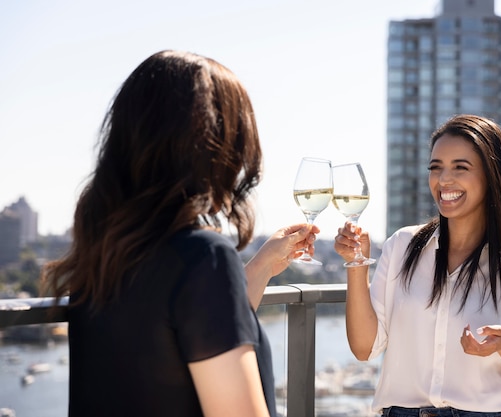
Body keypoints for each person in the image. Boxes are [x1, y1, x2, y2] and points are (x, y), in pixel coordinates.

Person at [41, 50, 319, 417]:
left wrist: (262, 266)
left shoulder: (105, 256)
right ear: (219, 145)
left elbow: (186, 332)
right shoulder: (203, 258)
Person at [334, 114, 501, 417]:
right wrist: (356, 265)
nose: (444, 180)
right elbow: (364, 348)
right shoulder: (402, 246)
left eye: (460, 167)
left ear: (490, 175)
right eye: (436, 168)